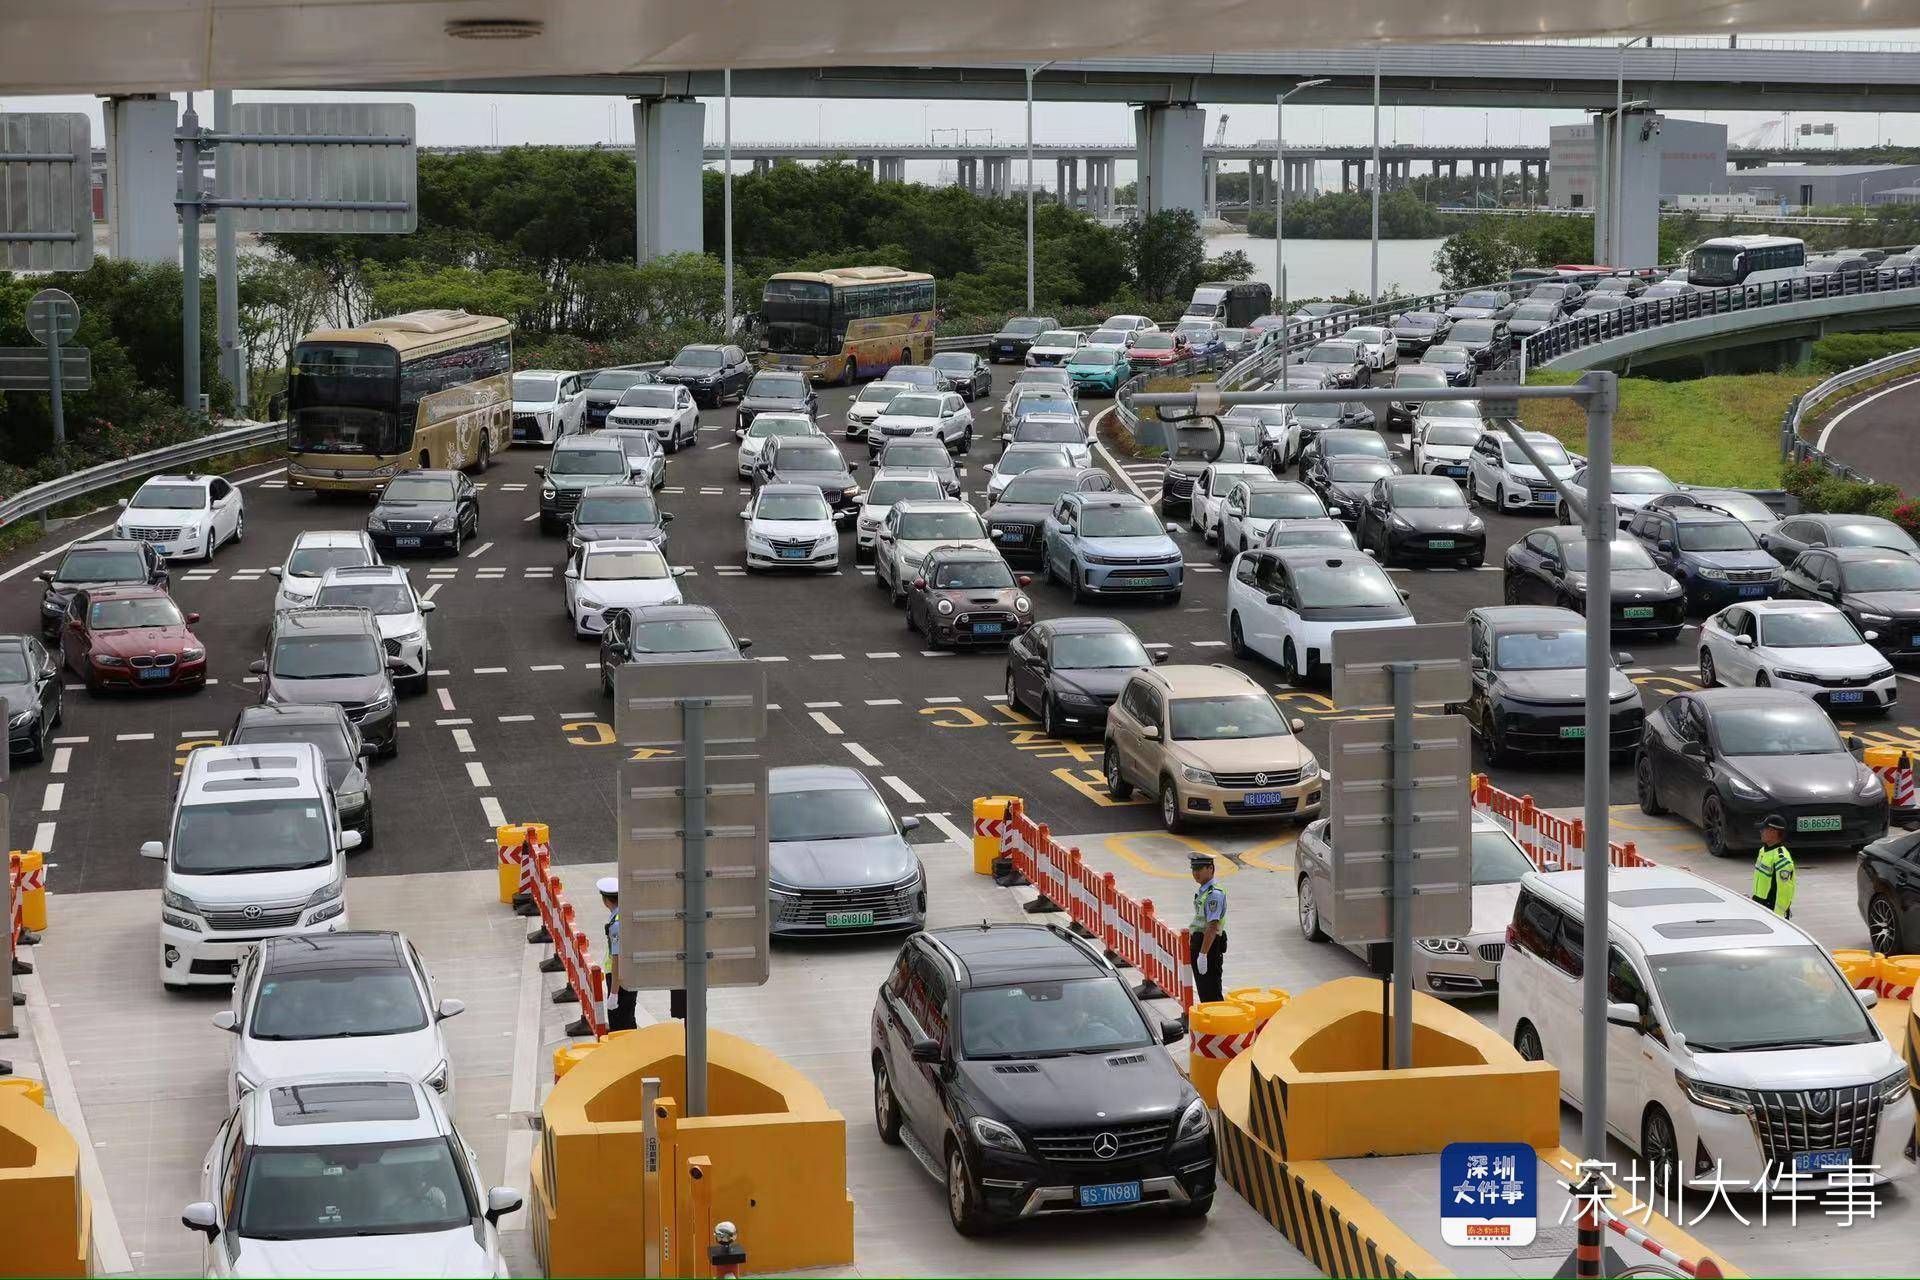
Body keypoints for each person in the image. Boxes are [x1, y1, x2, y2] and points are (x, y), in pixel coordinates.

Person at [599, 876, 638, 1032]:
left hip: (620, 979)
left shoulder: (616, 923)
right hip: (629, 975)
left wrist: (614, 993)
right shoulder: (624, 914)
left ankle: (627, 1053)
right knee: (628, 1018)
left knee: (620, 1025)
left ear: (605, 900)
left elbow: (617, 959)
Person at [1188, 853, 1227, 1004]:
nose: (1195, 873)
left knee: (1211, 994)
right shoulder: (1204, 890)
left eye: (1199, 868)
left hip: (1208, 946)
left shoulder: (1213, 894)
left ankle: (1220, 1026)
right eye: (1193, 869)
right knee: (1205, 992)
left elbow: (1212, 926)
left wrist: (1203, 955)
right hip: (1202, 943)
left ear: (1211, 868)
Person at [1751, 815, 1796, 919]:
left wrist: (1777, 916)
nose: (1761, 831)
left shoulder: (1782, 859)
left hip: (1771, 912)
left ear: (1773, 832)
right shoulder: (1763, 851)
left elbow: (1784, 891)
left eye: (1764, 829)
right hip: (1759, 906)